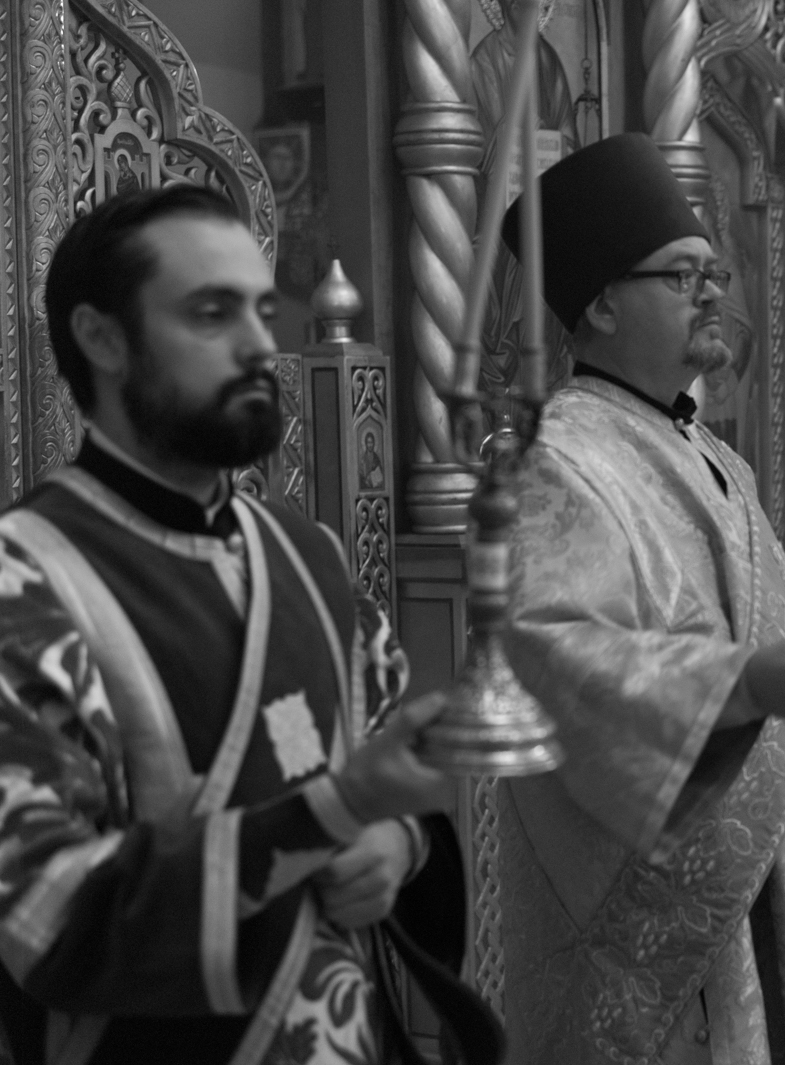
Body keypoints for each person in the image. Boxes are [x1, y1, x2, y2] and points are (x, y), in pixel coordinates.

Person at [0, 185, 497, 1065]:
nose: (262, 345)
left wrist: (398, 843)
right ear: (102, 338)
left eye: (265, 311)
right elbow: (48, 914)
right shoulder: (26, 579)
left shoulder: (311, 555)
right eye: (211, 313)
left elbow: (387, 781)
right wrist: (335, 810)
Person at [496, 132, 785, 1065]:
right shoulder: (558, 458)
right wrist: (747, 680)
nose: (714, 292)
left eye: (714, 272)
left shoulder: (713, 453)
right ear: (601, 303)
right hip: (653, 899)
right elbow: (556, 653)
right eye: (682, 276)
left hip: (753, 864)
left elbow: (714, 612)